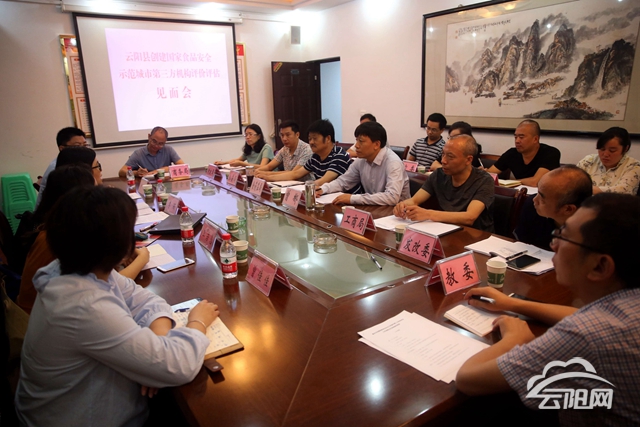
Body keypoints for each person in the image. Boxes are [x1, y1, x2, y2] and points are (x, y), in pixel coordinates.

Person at [15, 186, 219, 426]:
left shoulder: (77, 267)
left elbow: (144, 299)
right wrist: (197, 322)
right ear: (121, 247)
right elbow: (177, 366)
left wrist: (156, 348)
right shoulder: (83, 305)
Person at [457, 193, 640, 426]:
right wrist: (513, 303)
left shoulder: (584, 336)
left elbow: (468, 379)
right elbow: (585, 317)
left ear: (600, 266)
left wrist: (515, 339)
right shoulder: (624, 306)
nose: (553, 245)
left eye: (564, 237)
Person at [16, 165, 149, 314]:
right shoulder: (61, 238)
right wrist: (142, 258)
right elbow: (110, 285)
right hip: (41, 314)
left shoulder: (59, 227)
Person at [393, 135, 494, 232]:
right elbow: (414, 200)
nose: (443, 161)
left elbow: (470, 217)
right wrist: (402, 206)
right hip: (444, 229)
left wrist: (428, 214)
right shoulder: (439, 175)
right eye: (443, 154)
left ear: (468, 159)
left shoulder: (484, 180)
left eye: (450, 156)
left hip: (475, 235)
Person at [317, 121, 410, 205]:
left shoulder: (393, 163)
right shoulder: (361, 160)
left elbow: (392, 197)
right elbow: (343, 181)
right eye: (356, 140)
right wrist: (323, 189)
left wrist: (352, 198)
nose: (356, 146)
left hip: (397, 212)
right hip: (374, 209)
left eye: (361, 141)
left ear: (376, 144)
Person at [514, 165, 592, 250]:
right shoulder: (531, 207)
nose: (534, 199)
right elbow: (522, 243)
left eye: (542, 199)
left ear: (568, 209)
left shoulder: (593, 232)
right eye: (538, 192)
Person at [255, 119, 351, 186]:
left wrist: (306, 188)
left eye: (315, 138)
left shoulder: (339, 156)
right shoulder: (315, 157)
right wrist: (266, 176)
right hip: (324, 195)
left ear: (328, 138)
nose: (311, 142)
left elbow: (323, 181)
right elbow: (295, 174)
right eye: (310, 139)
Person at [485, 120, 560, 186]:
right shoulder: (511, 153)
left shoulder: (551, 153)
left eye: (521, 137)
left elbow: (536, 182)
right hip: (520, 194)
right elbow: (490, 174)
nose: (517, 141)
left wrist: (510, 183)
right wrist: (484, 172)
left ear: (535, 139)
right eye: (515, 137)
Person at [577, 126, 640, 195]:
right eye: (602, 149)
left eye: (612, 150)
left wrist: (583, 189)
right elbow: (573, 182)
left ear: (625, 149)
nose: (605, 154)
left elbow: (622, 191)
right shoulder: (588, 161)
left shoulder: (634, 166)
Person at [35, 127, 88, 207]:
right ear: (62, 148)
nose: (83, 150)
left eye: (85, 145)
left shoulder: (75, 164)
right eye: (77, 146)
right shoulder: (58, 169)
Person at [118, 127, 184, 178]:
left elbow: (183, 167)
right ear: (149, 137)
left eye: (161, 144)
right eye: (154, 141)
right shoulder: (139, 153)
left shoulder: (168, 149)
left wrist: (163, 169)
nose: (156, 146)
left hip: (165, 183)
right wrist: (136, 173)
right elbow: (121, 172)